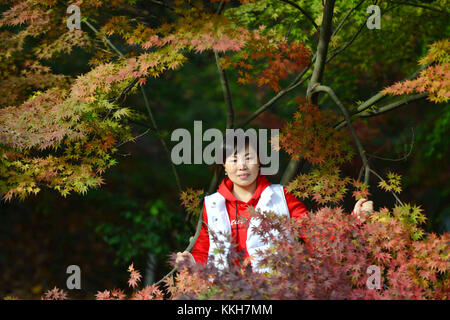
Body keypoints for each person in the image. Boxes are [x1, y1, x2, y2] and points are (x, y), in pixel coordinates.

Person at [176, 132, 373, 272]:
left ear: (260, 161)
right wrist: (190, 261)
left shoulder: (280, 197)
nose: (242, 166)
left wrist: (353, 220)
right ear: (224, 166)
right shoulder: (213, 205)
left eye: (248, 158)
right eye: (234, 160)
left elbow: (314, 232)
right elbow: (204, 251)